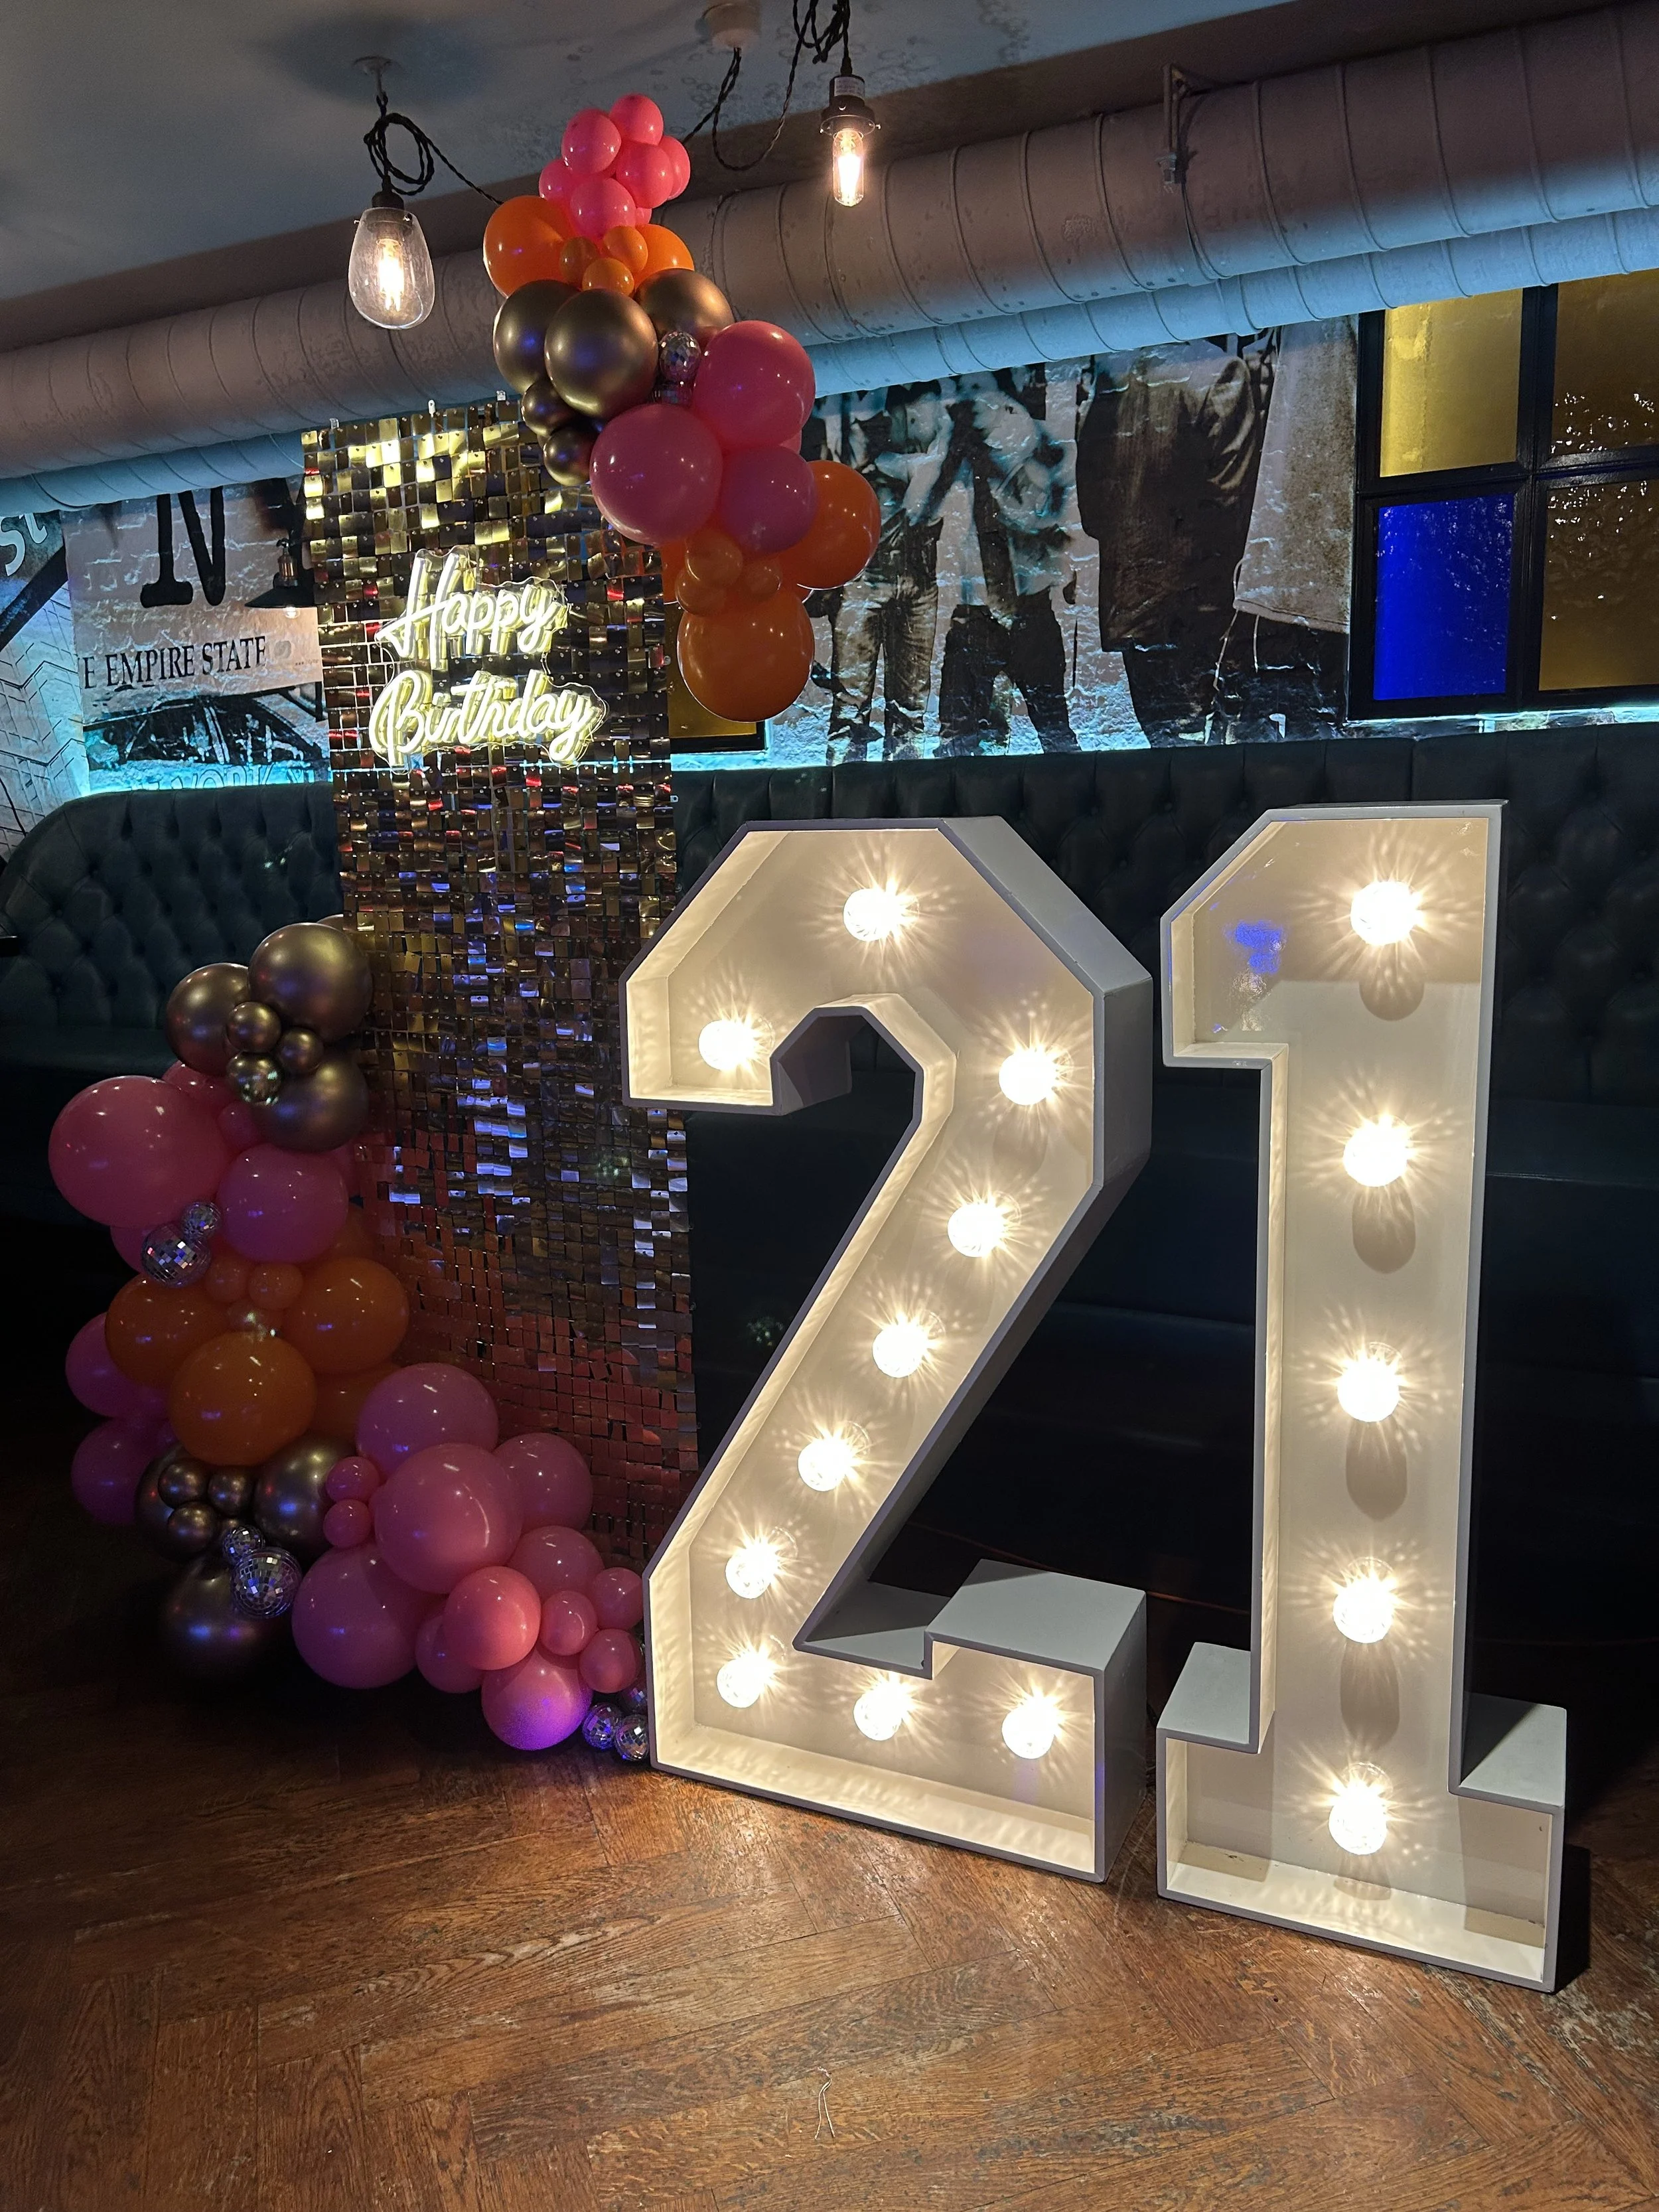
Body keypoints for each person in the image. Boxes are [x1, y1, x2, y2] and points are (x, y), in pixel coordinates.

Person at [1075, 338, 1263, 745]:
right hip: (1199, 610)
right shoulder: (1221, 373)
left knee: (1164, 749)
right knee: (1202, 757)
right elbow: (1232, 508)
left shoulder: (1114, 376)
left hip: (1131, 605)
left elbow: (1092, 512)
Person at [935, 370, 1080, 754]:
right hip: (975, 614)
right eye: (961, 390)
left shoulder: (1040, 443)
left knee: (1053, 728)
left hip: (1029, 611)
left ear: (1005, 396)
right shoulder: (961, 449)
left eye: (978, 388)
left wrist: (1001, 461)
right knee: (959, 734)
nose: (967, 400)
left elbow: (1039, 513)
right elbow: (923, 506)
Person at [824, 384, 952, 762]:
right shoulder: (859, 427)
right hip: (866, 577)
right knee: (851, 704)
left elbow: (924, 484)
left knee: (911, 706)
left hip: (917, 576)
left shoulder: (937, 434)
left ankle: (907, 807)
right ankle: (844, 807)